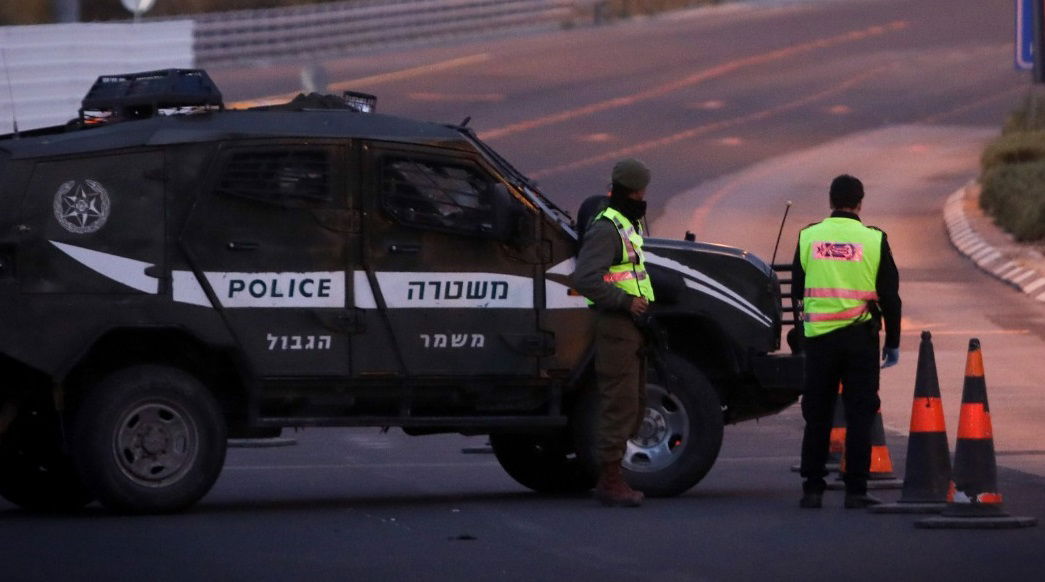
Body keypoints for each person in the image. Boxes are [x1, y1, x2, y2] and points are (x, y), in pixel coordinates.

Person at [792, 174, 901, 509]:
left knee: (818, 414)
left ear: (830, 201)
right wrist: (892, 343)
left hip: (819, 341)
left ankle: (812, 489)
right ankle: (856, 490)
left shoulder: (808, 236)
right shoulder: (874, 239)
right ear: (860, 203)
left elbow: (798, 289)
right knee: (859, 414)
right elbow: (890, 297)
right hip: (860, 340)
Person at [572, 158, 655, 507]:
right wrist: (624, 302)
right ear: (634, 190)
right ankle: (610, 480)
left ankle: (612, 475)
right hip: (616, 325)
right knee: (618, 404)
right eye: (641, 191)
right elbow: (585, 278)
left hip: (631, 328)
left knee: (632, 402)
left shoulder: (624, 224)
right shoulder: (607, 227)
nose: (643, 197)